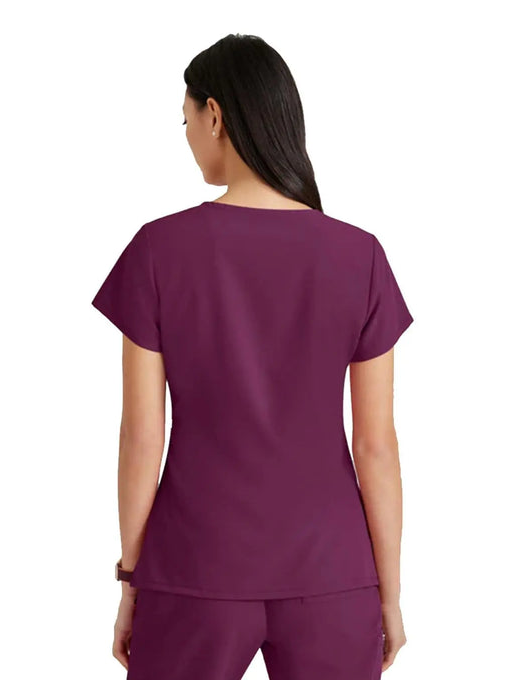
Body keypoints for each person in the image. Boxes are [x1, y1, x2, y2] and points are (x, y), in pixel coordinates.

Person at [91, 33, 413, 680]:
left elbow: (142, 437)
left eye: (186, 120)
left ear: (214, 114)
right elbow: (376, 446)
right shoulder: (360, 257)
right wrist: (389, 594)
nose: (187, 136)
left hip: (192, 570)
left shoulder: (158, 250)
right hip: (332, 573)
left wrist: (131, 579)